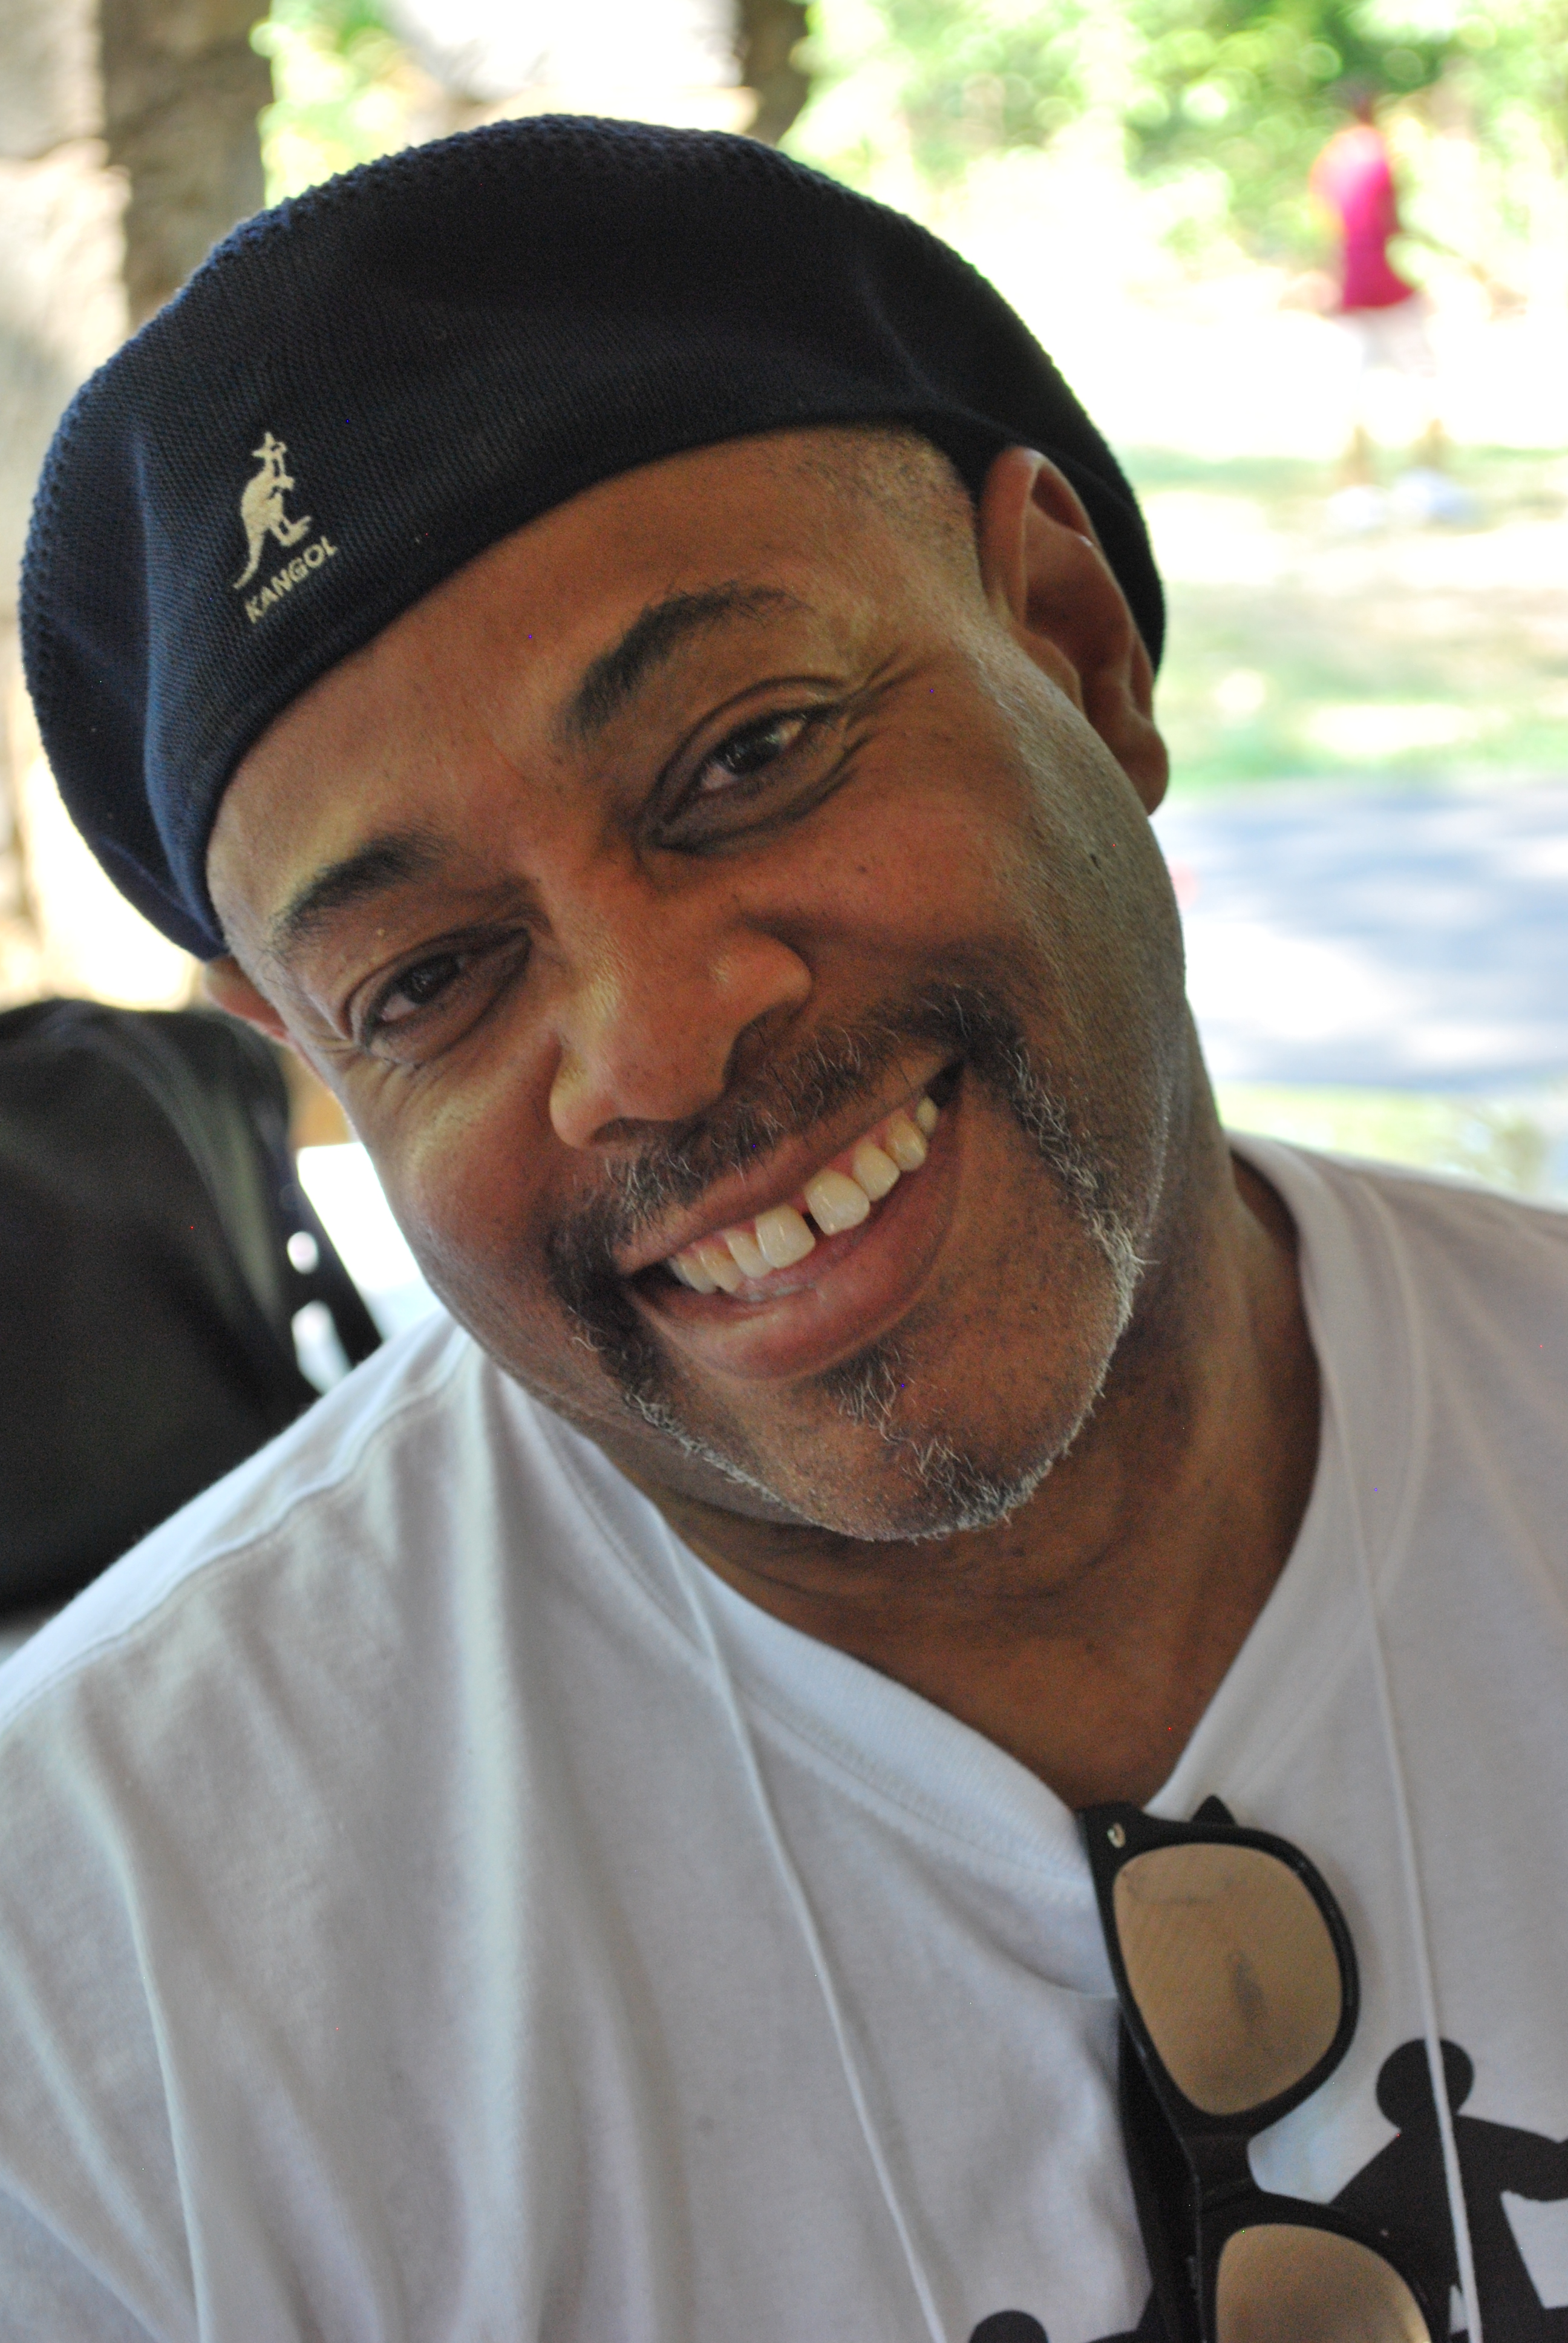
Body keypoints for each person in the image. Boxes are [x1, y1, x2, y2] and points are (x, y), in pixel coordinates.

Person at [4, 116, 1566, 2342]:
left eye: (746, 756)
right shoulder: (96, 2003)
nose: (651, 1045)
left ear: (1073, 650)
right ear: (310, 1056)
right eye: (431, 981)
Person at [1309, 86, 1473, 527]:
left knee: (1350, 398)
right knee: (1428, 386)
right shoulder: (1380, 154)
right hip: (1388, 292)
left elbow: (1331, 229)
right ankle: (1427, 483)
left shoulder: (1330, 160)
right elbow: (1391, 224)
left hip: (1351, 294)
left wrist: (1328, 279)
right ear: (1374, 108)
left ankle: (1358, 492)